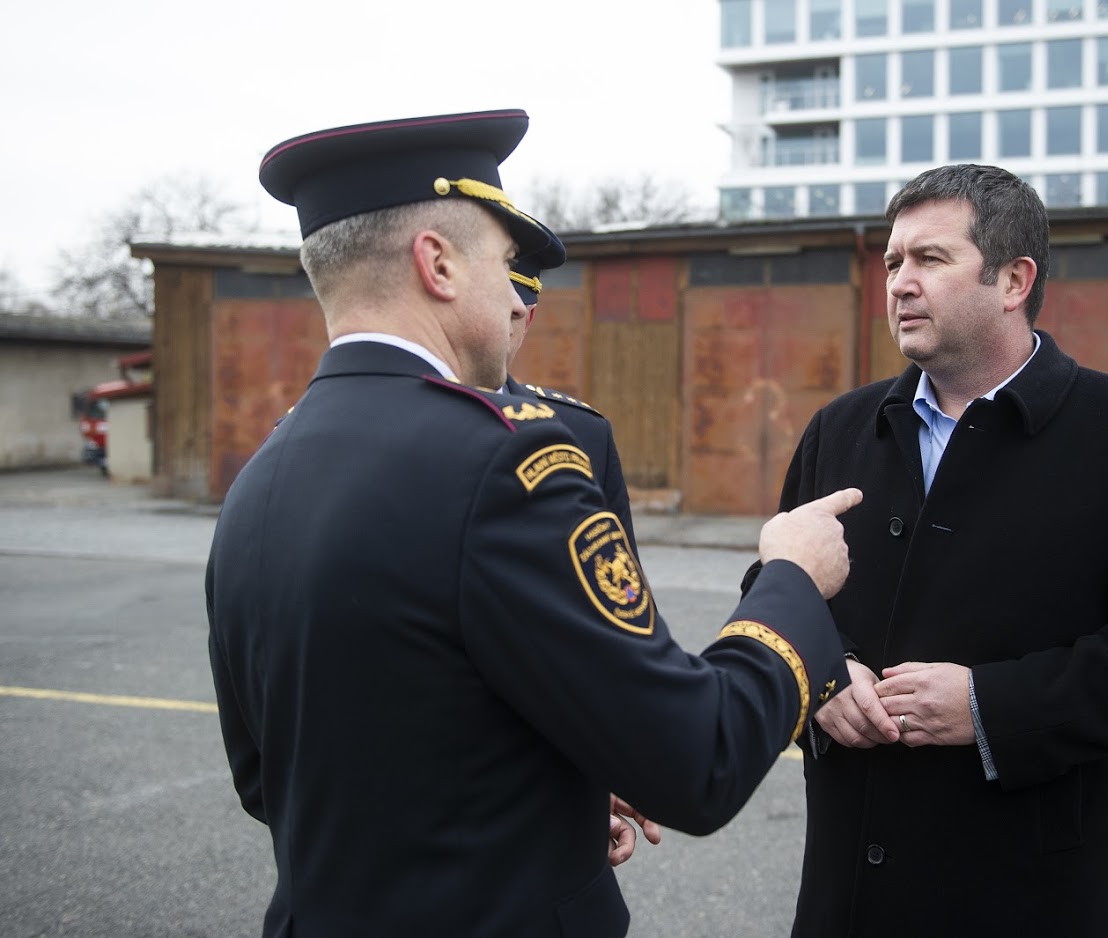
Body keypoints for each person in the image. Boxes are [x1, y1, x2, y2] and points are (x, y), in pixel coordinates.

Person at [205, 109, 861, 938]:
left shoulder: (262, 474)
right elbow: (700, 759)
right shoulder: (504, 462)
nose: (517, 294)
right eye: (504, 262)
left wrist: (550, 794)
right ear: (438, 264)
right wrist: (790, 577)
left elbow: (270, 778)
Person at [747, 163, 1108, 936]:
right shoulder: (840, 429)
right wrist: (820, 674)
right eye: (892, 262)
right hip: (847, 894)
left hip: (1026, 888)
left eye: (930, 258)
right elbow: (776, 583)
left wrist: (991, 707)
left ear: (1013, 280)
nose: (899, 283)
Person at [503, 246, 638, 548]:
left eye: (513, 313)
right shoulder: (402, 415)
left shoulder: (582, 432)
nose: (503, 317)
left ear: (527, 319)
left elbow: (621, 573)